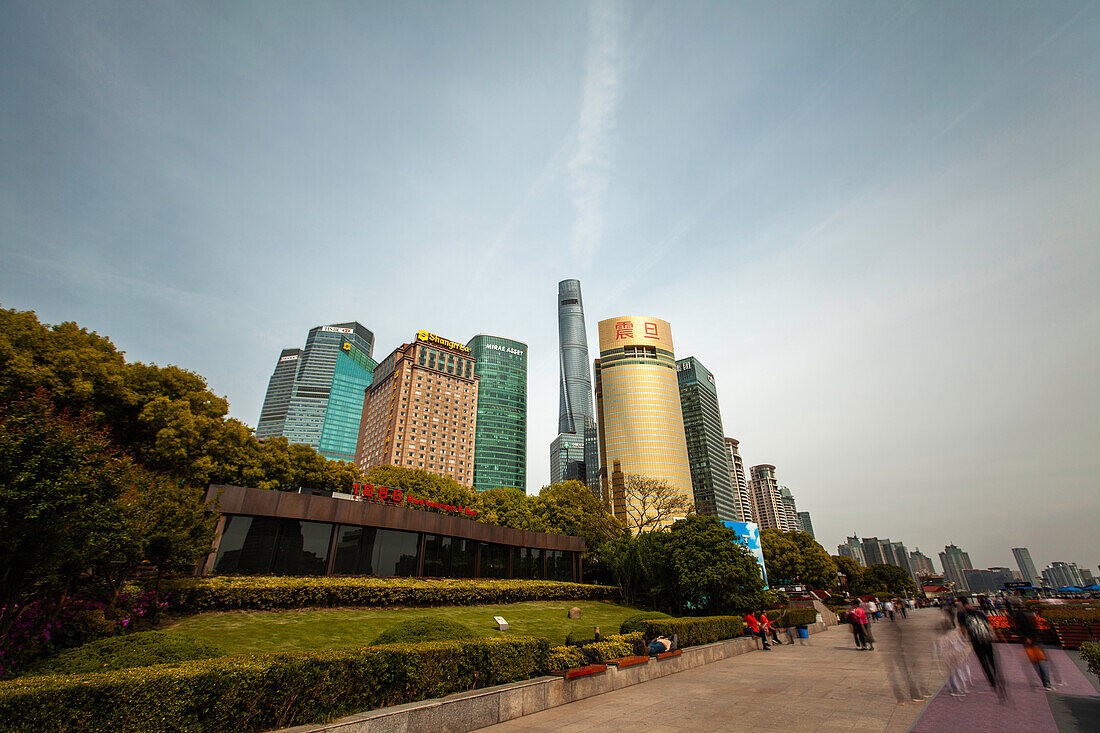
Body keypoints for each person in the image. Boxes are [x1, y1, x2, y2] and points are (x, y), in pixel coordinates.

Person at [957, 597, 1001, 694]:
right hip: (986, 638)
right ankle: (995, 675)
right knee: (991, 658)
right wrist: (993, 635)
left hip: (976, 639)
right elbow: (988, 625)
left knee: (983, 660)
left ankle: (992, 680)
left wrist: (963, 639)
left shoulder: (961, 614)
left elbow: (963, 628)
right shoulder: (979, 613)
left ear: (961, 604)